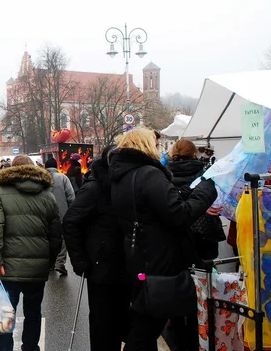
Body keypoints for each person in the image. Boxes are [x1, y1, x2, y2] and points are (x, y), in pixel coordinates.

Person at [108, 128, 217, 351]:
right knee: (149, 324)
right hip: (158, 257)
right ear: (146, 146)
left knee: (146, 321)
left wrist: (188, 191)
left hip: (139, 255)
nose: (158, 149)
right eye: (155, 144)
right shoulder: (148, 174)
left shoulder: (124, 174)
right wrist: (206, 189)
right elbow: (180, 215)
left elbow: (158, 205)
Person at [0, 155, 61, 351]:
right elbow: (55, 234)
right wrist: (49, 261)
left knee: (4, 314)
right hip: (37, 268)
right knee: (33, 312)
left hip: (7, 268)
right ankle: (30, 348)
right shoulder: (47, 195)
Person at [64, 145, 130, 351]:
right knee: (103, 325)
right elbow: (70, 222)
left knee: (128, 323)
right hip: (101, 268)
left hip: (129, 265)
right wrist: (80, 260)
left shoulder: (129, 184)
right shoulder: (94, 188)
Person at [166, 139, 225, 261]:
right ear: (194, 154)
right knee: (207, 272)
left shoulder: (164, 173)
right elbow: (214, 195)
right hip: (204, 229)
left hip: (177, 230)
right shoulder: (205, 172)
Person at [44, 157, 75, 276]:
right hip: (62, 214)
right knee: (62, 239)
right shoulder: (63, 178)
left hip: (44, 215)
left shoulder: (41, 179)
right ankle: (59, 263)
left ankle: (49, 262)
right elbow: (71, 197)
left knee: (46, 238)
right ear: (56, 167)